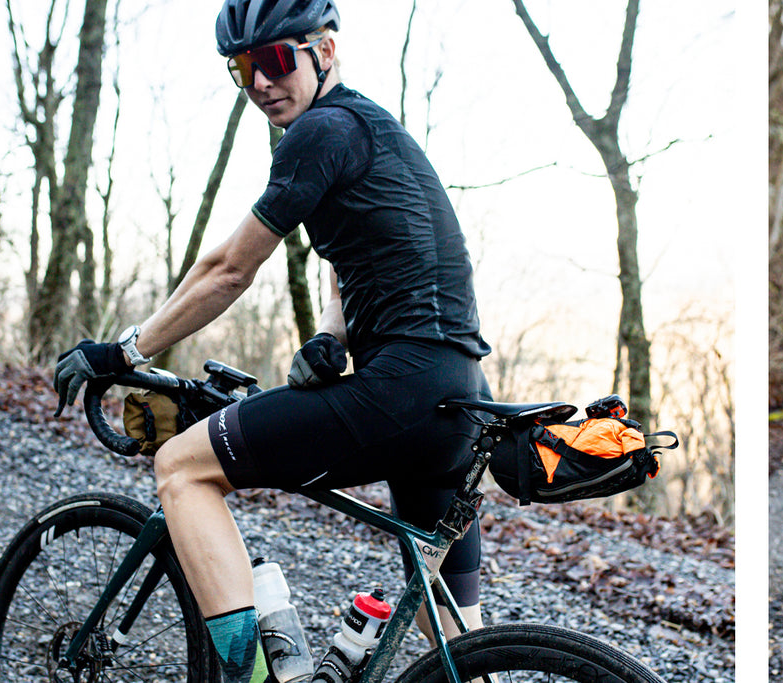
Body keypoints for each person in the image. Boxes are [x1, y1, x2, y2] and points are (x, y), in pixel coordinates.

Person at [51, 1, 490, 679]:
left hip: (400, 391)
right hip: (457, 402)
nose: (260, 81)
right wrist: (330, 336)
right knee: (457, 643)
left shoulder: (320, 132)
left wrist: (126, 351)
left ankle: (248, 674)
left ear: (327, 51)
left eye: (277, 58)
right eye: (243, 66)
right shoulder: (372, 130)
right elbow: (361, 260)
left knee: (181, 466)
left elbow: (228, 269)